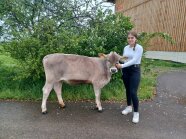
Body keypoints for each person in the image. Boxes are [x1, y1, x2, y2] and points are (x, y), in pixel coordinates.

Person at [115, 31, 143, 123]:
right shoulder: (126, 47)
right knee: (127, 90)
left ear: (136, 39)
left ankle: (136, 113)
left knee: (133, 92)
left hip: (135, 70)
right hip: (126, 71)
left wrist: (122, 66)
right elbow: (124, 59)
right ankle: (128, 107)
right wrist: (118, 62)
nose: (130, 39)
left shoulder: (139, 48)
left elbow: (134, 60)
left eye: (132, 38)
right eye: (129, 38)